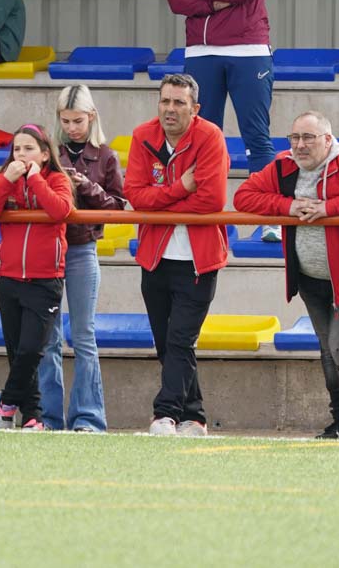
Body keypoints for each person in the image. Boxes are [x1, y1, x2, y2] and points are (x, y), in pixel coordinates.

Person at [234, 111, 339, 440]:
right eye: (295, 138)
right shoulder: (282, 165)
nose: (300, 145)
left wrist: (329, 208)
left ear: (327, 139)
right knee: (327, 349)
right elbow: (243, 197)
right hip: (309, 277)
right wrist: (288, 206)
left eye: (308, 138)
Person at [163, 0, 277, 240]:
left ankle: (269, 218)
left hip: (248, 48)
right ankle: (205, 213)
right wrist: (216, 1)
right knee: (200, 136)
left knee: (255, 136)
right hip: (200, 50)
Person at [123, 73, 230, 436]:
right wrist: (181, 187)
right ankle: (195, 417)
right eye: (165, 101)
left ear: (194, 108)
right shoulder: (143, 135)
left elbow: (212, 199)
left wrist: (161, 199)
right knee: (166, 341)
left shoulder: (211, 136)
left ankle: (165, 414)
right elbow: (136, 196)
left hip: (199, 259)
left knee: (180, 339)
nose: (170, 109)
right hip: (155, 256)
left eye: (179, 103)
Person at [0, 123, 73, 430]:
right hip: (9, 279)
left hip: (45, 280)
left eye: (29, 148)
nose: (21, 154)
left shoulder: (57, 179)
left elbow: (60, 210)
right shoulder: (6, 180)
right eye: (17, 149)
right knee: (18, 352)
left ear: (45, 155)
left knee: (32, 350)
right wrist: (6, 181)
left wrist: (35, 181)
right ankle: (33, 417)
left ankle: (5, 401)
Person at [39, 84, 125, 431]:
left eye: (78, 120)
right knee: (49, 336)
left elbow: (118, 207)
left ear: (92, 117)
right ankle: (48, 417)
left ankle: (88, 417)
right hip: (50, 248)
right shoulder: (50, 153)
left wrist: (86, 186)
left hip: (82, 249)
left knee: (83, 334)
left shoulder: (105, 156)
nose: (73, 127)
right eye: (66, 120)